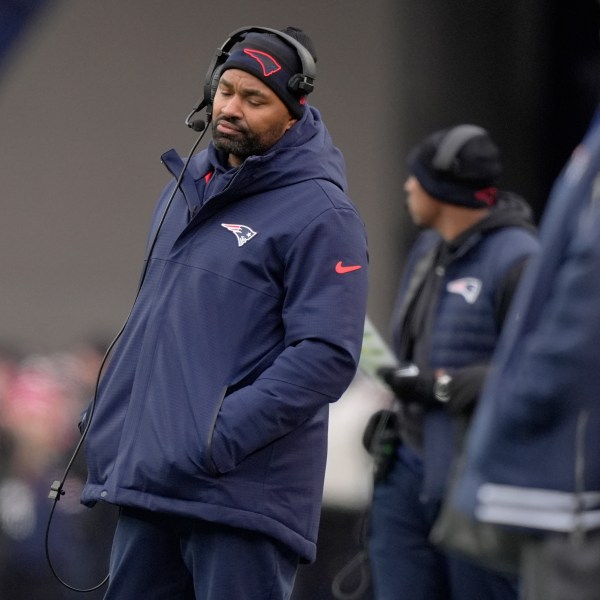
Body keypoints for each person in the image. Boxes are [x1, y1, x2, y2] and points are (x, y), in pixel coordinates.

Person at [78, 26, 369, 600]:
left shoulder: (324, 213)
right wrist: (112, 422)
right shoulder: (183, 190)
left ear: (293, 111)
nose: (231, 108)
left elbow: (326, 356)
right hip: (150, 484)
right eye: (226, 90)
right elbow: (158, 327)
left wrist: (215, 439)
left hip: (237, 500)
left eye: (254, 98)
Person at [364, 124, 539, 599]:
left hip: (475, 484)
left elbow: (539, 377)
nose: (407, 186)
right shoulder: (426, 249)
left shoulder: (519, 260)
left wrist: (446, 387)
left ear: (442, 187)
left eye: (416, 177)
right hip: (405, 472)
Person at [449, 107, 600, 600]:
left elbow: (584, 300)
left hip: (567, 484)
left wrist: (512, 405)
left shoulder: (510, 252)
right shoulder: (431, 253)